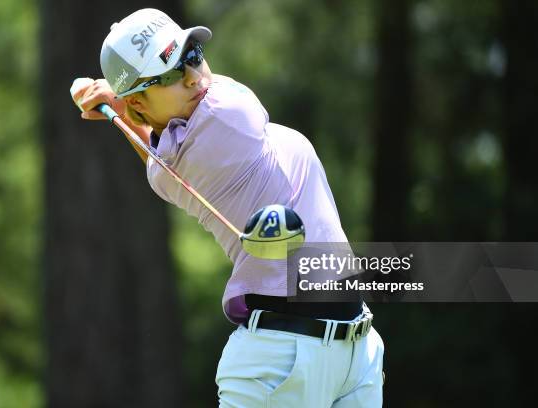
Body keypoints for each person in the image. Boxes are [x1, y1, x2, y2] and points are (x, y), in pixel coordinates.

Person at [71, 8, 384, 407]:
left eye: (192, 54)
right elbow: (156, 136)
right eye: (168, 75)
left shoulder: (167, 170)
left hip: (353, 352)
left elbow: (156, 143)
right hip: (281, 359)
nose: (192, 76)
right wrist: (118, 103)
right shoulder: (229, 112)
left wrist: (118, 108)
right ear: (138, 105)